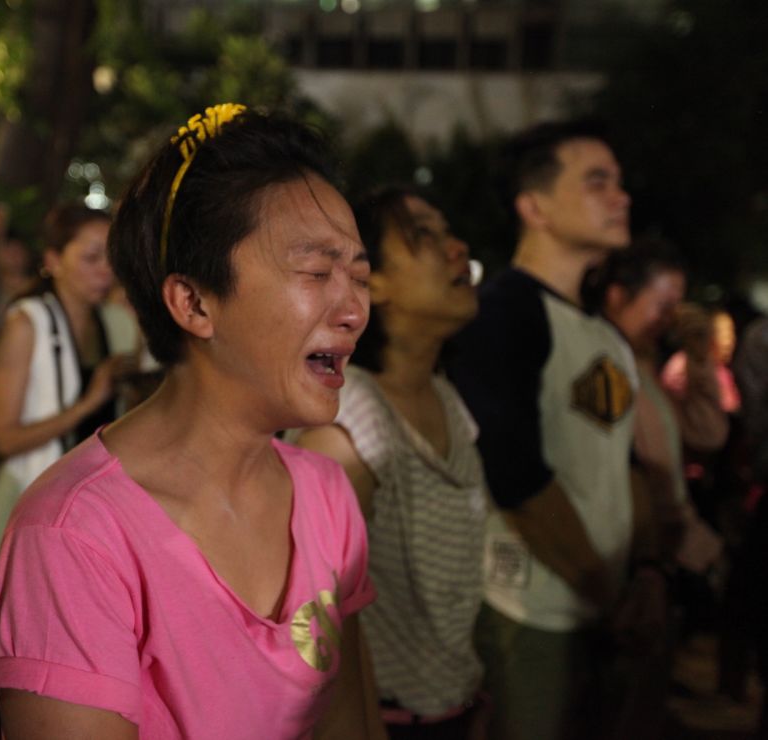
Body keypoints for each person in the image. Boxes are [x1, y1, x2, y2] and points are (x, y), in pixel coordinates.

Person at [0, 104, 377, 738]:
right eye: (317, 272)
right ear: (193, 302)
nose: (354, 309)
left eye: (359, 276)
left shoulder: (329, 496)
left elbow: (350, 725)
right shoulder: (74, 535)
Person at [444, 120, 661, 740]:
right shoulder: (503, 314)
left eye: (618, 182)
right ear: (533, 206)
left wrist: (646, 570)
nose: (620, 197)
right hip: (530, 612)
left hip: (603, 609)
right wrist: (605, 587)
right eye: (597, 182)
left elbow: (624, 464)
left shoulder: (602, 333)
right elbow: (514, 475)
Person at [295, 186, 488, 739]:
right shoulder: (345, 426)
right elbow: (318, 625)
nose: (458, 248)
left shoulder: (449, 403)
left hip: (452, 710)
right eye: (425, 236)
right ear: (368, 280)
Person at [589, 238, 723, 739]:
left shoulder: (648, 369)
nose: (670, 318)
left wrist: (699, 360)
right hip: (628, 563)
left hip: (657, 560)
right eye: (663, 305)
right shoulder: (602, 367)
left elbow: (708, 433)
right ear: (619, 296)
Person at [0, 204, 138, 587]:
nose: (105, 270)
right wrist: (88, 403)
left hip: (99, 509)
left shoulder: (117, 323)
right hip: (38, 502)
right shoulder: (27, 323)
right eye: (92, 257)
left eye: (111, 258)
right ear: (53, 259)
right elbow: (3, 438)